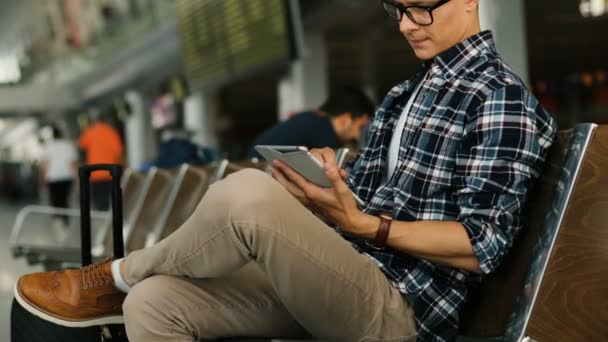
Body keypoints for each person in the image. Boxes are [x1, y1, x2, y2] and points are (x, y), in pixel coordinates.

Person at [15, 1, 557, 341]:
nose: (407, 26)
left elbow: (482, 245)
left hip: (403, 311)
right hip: (346, 277)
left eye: (421, 8)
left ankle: (113, 277)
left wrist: (369, 227)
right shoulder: (403, 95)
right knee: (157, 304)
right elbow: (361, 206)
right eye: (397, 9)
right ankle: (129, 284)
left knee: (245, 192)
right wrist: (328, 195)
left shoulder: (499, 98)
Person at [246, 86, 375, 159]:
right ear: (345, 119)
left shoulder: (310, 120)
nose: (358, 136)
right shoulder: (322, 129)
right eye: (360, 127)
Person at [78, 108, 124, 210]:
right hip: (110, 172)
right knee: (110, 199)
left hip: (94, 173)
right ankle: (108, 217)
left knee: (98, 199)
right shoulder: (112, 132)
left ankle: (101, 216)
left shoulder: (89, 132)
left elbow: (81, 151)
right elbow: (118, 154)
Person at [40, 125, 77, 227]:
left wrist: (43, 179)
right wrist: (76, 178)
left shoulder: (48, 146)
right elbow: (72, 163)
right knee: (64, 199)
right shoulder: (67, 145)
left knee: (55, 199)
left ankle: (57, 220)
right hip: (66, 177)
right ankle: (65, 220)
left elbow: (45, 165)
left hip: (53, 178)